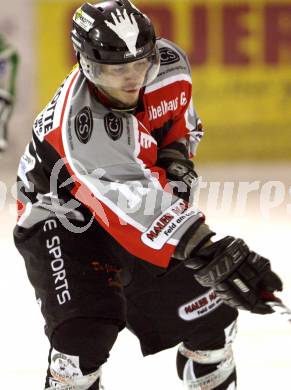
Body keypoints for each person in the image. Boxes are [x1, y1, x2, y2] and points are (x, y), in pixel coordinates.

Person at [13, 1, 283, 389]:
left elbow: (180, 123)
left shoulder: (170, 65)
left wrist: (175, 160)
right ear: (86, 65)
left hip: (135, 205)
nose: (130, 80)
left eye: (139, 65)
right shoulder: (79, 124)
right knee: (82, 339)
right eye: (114, 70)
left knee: (210, 313)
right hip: (62, 217)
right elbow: (133, 202)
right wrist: (209, 249)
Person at [0, 33, 19, 152]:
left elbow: (13, 54)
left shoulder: (9, 53)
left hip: (5, 92)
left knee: (3, 116)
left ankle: (2, 141)